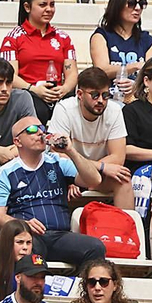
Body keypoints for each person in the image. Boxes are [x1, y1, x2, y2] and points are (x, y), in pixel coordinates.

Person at [0, 115, 108, 267]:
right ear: (17, 141)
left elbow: (94, 180)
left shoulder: (57, 162)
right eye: (32, 130)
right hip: (29, 236)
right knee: (30, 252)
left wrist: (70, 150)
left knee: (95, 248)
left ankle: (81, 289)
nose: (40, 133)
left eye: (42, 128)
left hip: (60, 236)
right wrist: (22, 224)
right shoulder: (6, 172)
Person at [48, 67, 137, 206]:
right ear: (79, 94)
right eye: (95, 95)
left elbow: (118, 157)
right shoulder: (64, 109)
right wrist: (99, 167)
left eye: (105, 95)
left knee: (124, 180)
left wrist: (93, 172)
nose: (101, 100)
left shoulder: (115, 110)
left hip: (100, 175)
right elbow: (59, 155)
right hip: (71, 173)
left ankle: (125, 225)